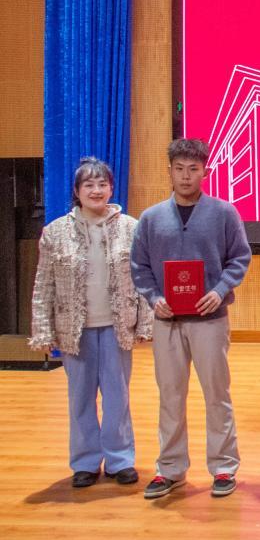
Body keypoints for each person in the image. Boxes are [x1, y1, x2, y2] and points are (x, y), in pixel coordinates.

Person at [131, 138, 252, 499]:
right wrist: (154, 298)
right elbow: (139, 266)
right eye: (179, 169)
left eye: (193, 169)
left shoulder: (224, 213)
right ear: (169, 171)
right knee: (170, 396)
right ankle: (170, 468)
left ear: (205, 172)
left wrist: (220, 289)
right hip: (167, 321)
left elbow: (240, 258)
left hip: (210, 320)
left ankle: (224, 466)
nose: (186, 176)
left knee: (217, 394)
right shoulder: (151, 218)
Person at [30, 157, 152, 488]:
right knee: (80, 399)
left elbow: (143, 278)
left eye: (102, 184)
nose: (96, 190)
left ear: (111, 189)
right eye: (89, 185)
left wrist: (145, 323)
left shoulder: (131, 227)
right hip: (74, 330)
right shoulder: (55, 232)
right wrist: (42, 329)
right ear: (77, 191)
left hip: (116, 327)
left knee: (117, 397)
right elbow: (43, 284)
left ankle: (119, 460)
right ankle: (85, 462)